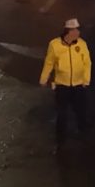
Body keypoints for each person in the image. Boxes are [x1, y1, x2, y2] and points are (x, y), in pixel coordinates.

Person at [39, 18, 92, 149]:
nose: (78, 32)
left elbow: (87, 63)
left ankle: (83, 131)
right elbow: (49, 62)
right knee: (62, 113)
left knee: (81, 110)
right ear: (68, 31)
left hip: (79, 85)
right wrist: (44, 78)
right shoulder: (55, 45)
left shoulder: (82, 44)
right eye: (75, 30)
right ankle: (60, 138)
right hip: (62, 85)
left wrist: (86, 80)